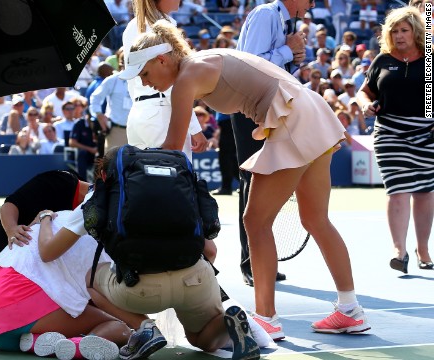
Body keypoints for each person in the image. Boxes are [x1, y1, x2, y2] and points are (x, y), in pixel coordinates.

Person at [119, 20, 371, 341]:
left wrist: (128, 171)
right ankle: (350, 310)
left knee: (255, 220)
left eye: (144, 73)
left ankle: (267, 318)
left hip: (293, 117)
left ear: (162, 60)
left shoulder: (187, 78)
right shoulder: (200, 63)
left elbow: (171, 150)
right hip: (310, 110)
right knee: (315, 219)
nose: (144, 82)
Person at [52, 148, 260, 360]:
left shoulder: (97, 198)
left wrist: (44, 219)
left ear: (104, 175)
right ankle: (228, 320)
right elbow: (210, 250)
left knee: (90, 279)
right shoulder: (183, 190)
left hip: (139, 289)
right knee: (200, 340)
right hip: (196, 279)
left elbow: (48, 252)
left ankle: (144, 328)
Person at [231, 0, 310, 287]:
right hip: (252, 108)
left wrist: (294, 57)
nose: (313, 3)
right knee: (253, 181)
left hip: (267, 108)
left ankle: (261, 259)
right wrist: (289, 50)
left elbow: (272, 67)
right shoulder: (267, 15)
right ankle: (250, 262)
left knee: (264, 182)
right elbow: (250, 65)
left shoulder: (281, 19)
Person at [0, 208, 130, 359]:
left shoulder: (55, 221)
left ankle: (36, 341)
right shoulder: (92, 235)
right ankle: (79, 344)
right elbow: (99, 292)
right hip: (28, 308)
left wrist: (45, 217)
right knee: (120, 327)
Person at [357, 7, 433, 273]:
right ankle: (399, 252)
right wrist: (366, 105)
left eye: (404, 30)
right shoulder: (383, 59)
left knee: (424, 192)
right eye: (394, 31)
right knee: (398, 189)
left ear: (416, 32)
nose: (399, 36)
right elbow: (364, 92)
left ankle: (422, 249)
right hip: (389, 132)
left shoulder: (430, 61)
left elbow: (431, 102)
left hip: (427, 133)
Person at [122, 0, 207, 163]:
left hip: (138, 114)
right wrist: (194, 128)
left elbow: (134, 79)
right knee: (174, 179)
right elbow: (173, 83)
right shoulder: (160, 27)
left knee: (142, 181)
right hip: (162, 113)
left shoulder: (133, 26)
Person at [0, 170, 91, 277]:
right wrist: (11, 229)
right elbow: (10, 204)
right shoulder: (55, 182)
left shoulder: (87, 207)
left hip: (32, 267)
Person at [89, 59, 131, 153]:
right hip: (116, 130)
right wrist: (99, 115)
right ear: (121, 63)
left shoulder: (142, 79)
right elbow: (95, 98)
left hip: (138, 132)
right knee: (112, 165)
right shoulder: (113, 80)